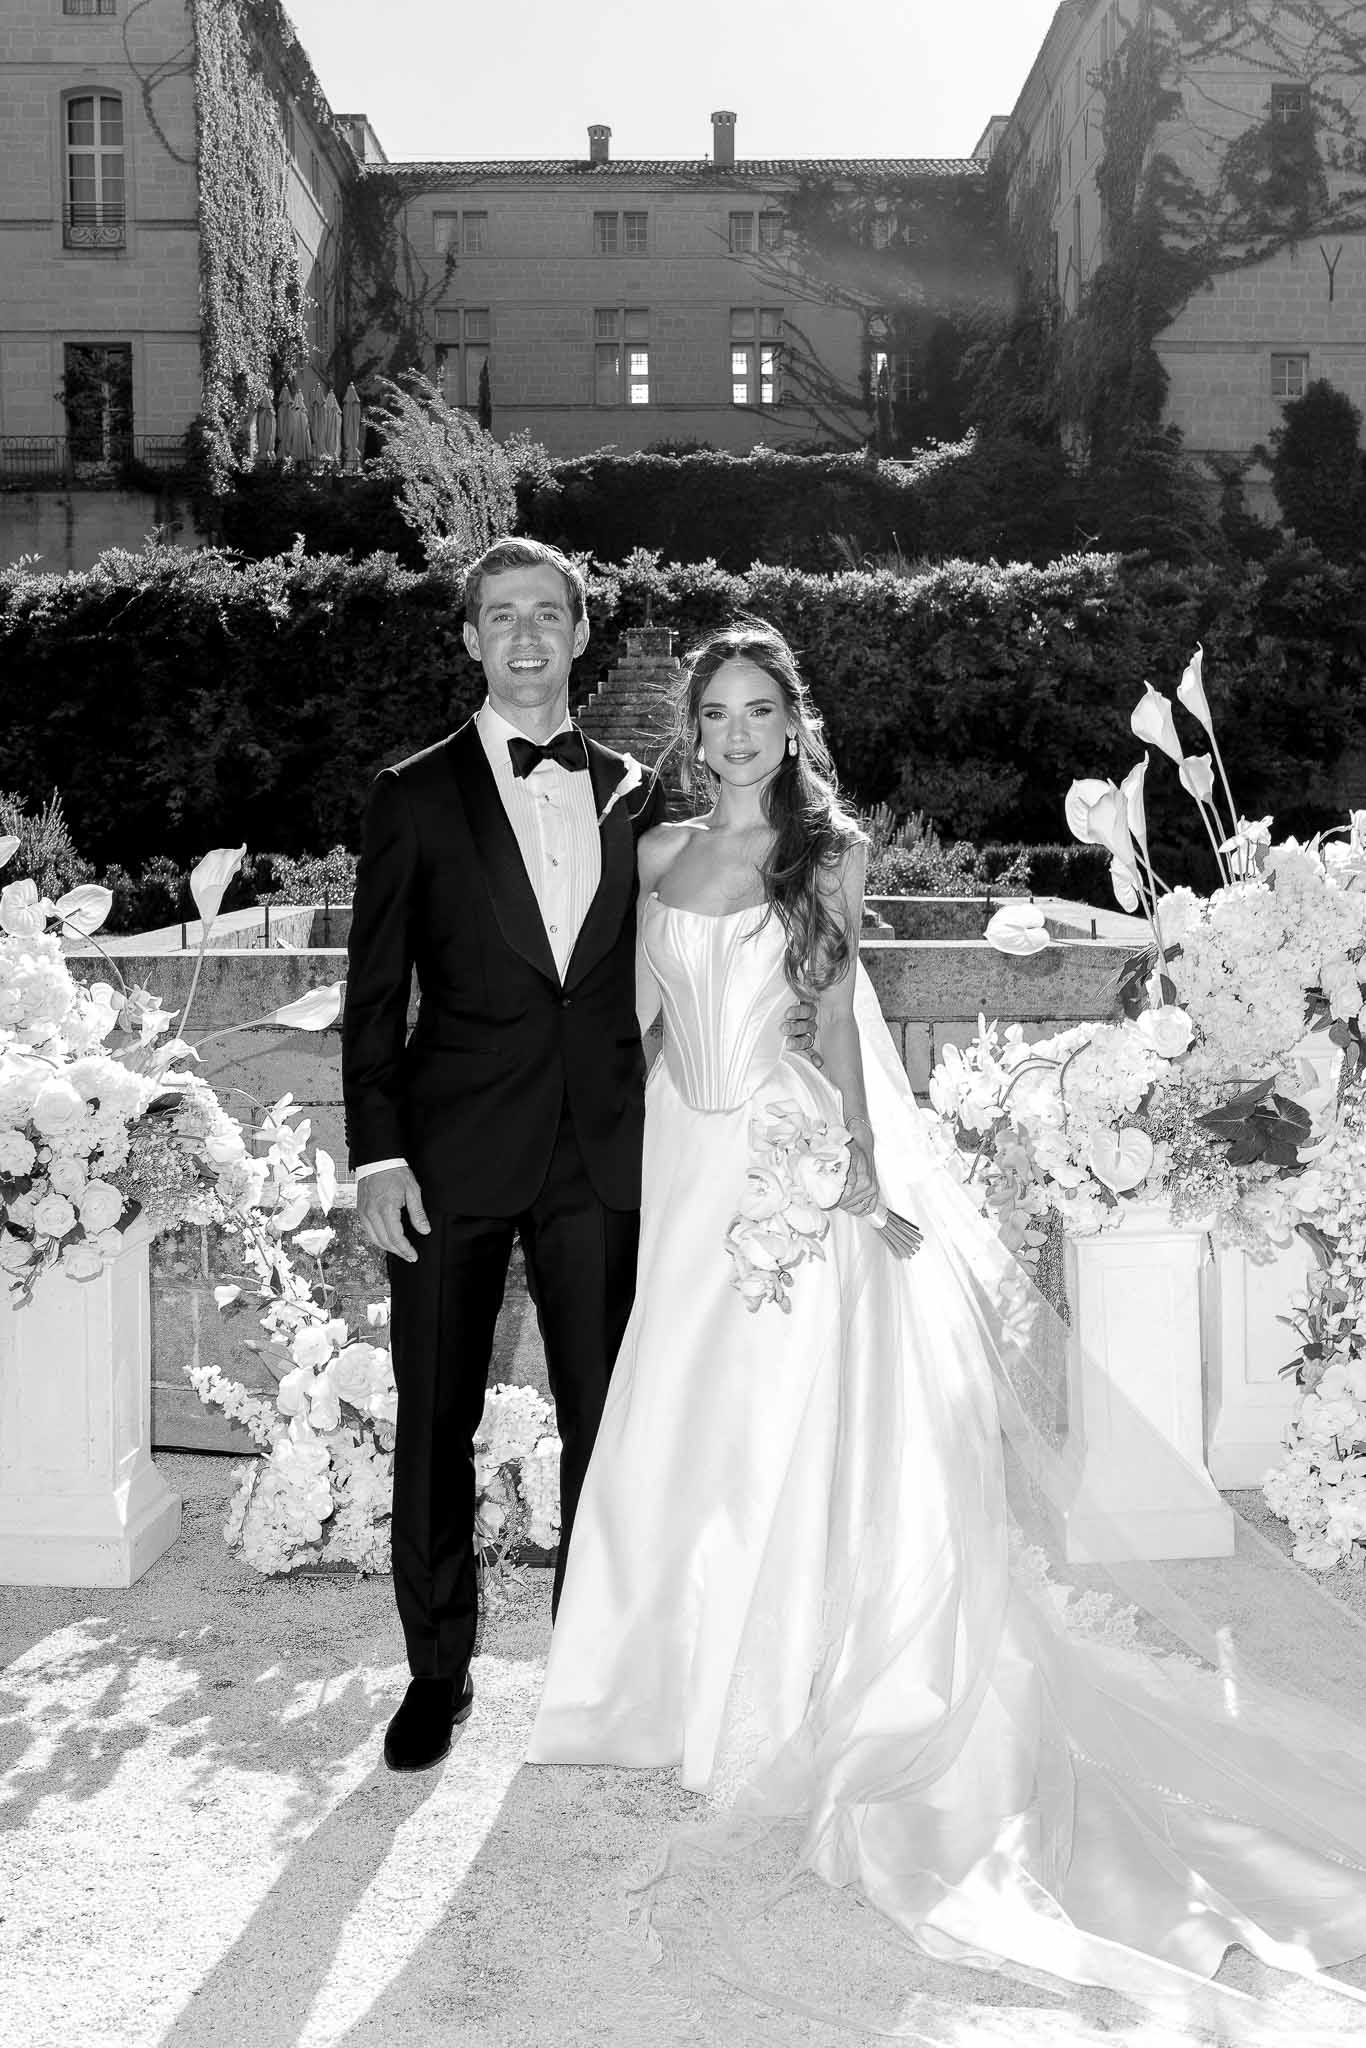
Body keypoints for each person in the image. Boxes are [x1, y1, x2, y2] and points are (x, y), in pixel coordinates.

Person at [528, 619, 1366, 2031]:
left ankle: (785, 1689)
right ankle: (654, 1689)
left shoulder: (829, 854)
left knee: (785, 1420)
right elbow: (636, 1027)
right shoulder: (656, 850)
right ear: (691, 730)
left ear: (792, 724)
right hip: (680, 1162)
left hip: (791, 1163)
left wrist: (860, 1173)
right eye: (715, 714)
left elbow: (832, 1024)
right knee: (672, 1415)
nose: (736, 735)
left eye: (758, 711)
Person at [342, 537, 666, 1774]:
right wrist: (377, 1156)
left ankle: (590, 1661)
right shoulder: (411, 793)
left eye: (547, 613)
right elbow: (374, 996)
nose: (526, 635)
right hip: (446, 1156)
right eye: (500, 615)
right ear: (470, 638)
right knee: (435, 1417)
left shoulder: (638, 791)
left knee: (608, 1419)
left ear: (581, 633)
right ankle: (437, 1672)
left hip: (601, 1155)